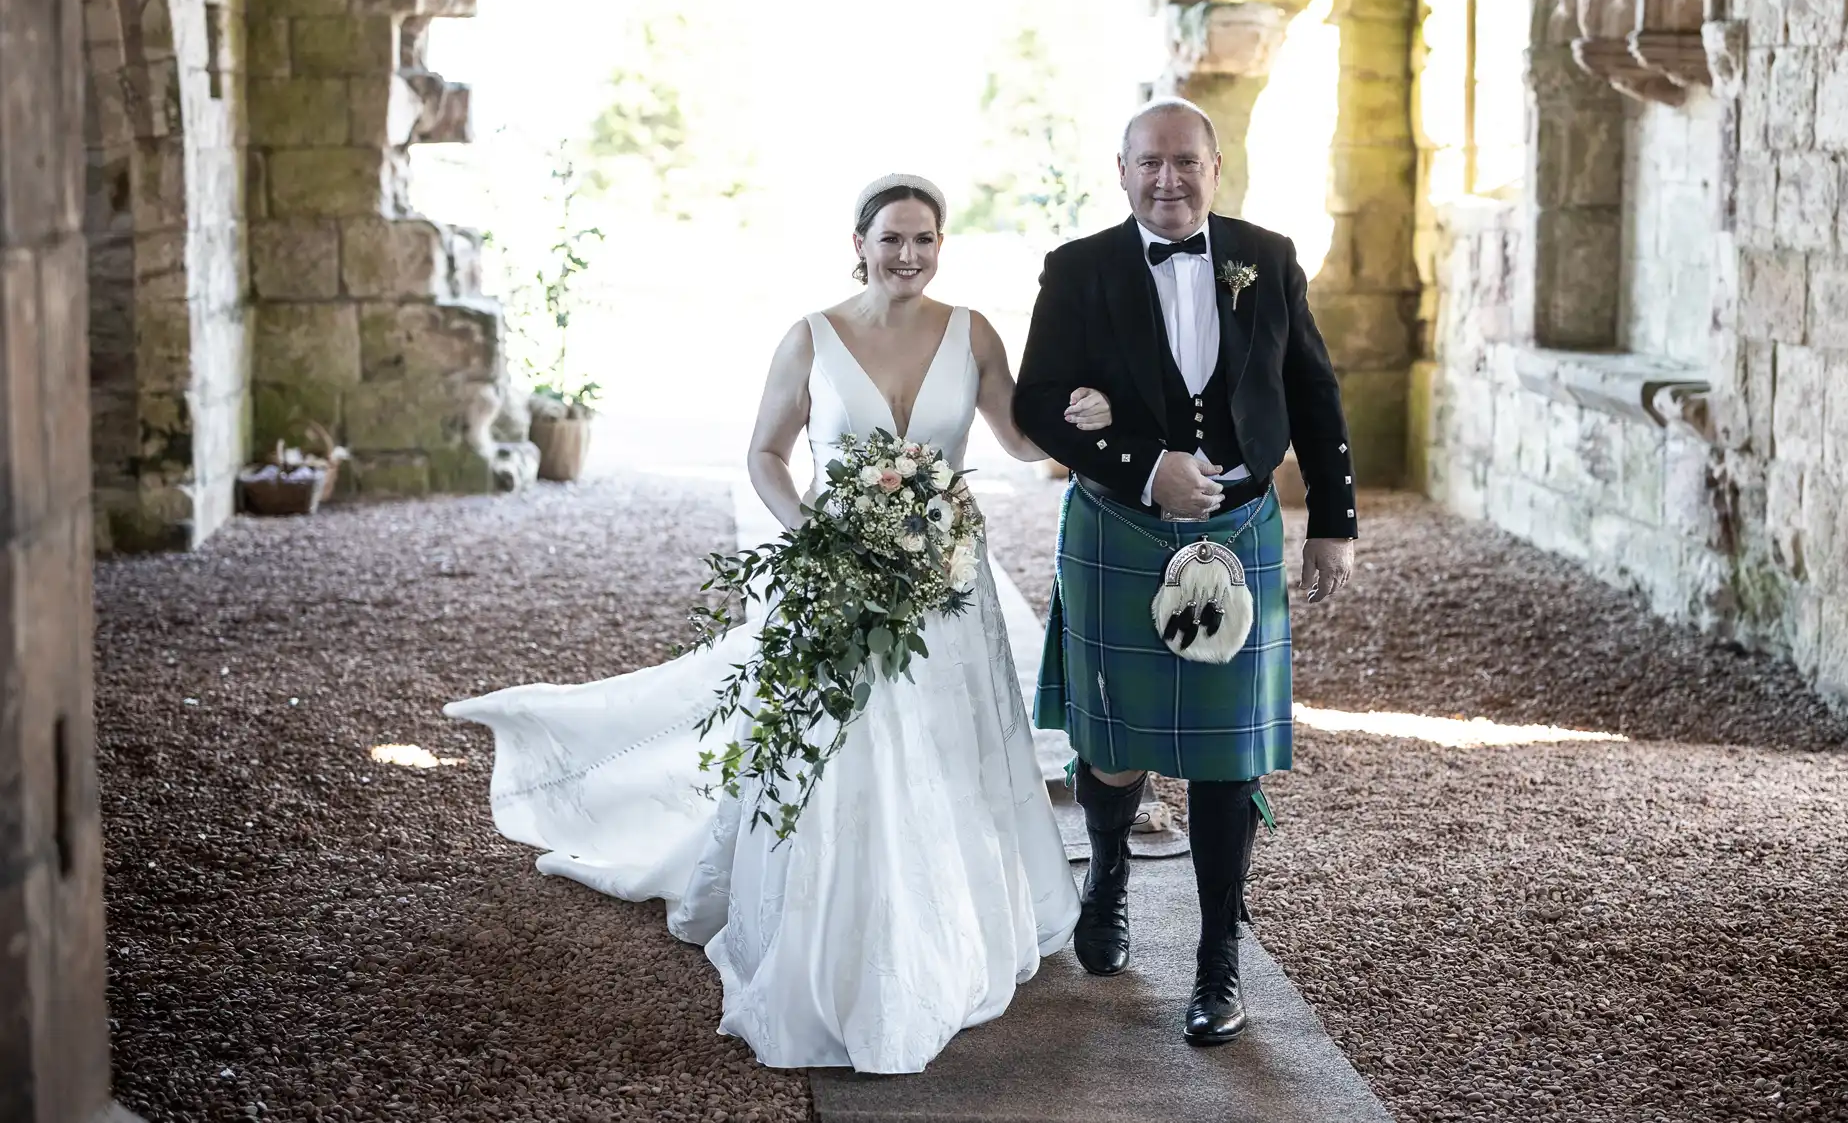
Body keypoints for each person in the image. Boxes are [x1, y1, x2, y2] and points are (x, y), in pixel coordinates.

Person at [446, 174, 1112, 1075]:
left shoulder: (973, 332)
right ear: (859, 242)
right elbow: (764, 453)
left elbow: (1021, 442)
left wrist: (1082, 418)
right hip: (840, 579)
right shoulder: (812, 336)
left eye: (924, 239)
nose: (908, 254)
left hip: (948, 590)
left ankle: (950, 912)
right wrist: (815, 537)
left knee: (951, 746)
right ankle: (845, 924)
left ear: (941, 245)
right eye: (891, 239)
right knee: (850, 753)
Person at [1012, 99, 1360, 1047]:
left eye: (1185, 162)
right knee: (1116, 736)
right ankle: (1110, 878)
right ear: (1120, 172)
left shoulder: (1267, 256)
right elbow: (1034, 401)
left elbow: (1313, 391)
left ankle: (1218, 959)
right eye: (1149, 163)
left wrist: (1333, 519)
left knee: (1224, 752)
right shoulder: (1079, 269)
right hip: (1120, 527)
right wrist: (1139, 462)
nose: (1167, 179)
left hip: (1241, 528)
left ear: (1216, 167)